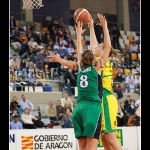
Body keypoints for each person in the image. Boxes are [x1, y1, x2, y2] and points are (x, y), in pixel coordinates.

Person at [49, 14, 109, 150]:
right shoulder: (97, 66)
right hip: (92, 108)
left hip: (79, 108)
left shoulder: (80, 67)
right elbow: (108, 46)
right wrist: (105, 27)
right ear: (93, 59)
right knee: (91, 146)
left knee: (82, 147)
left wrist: (78, 35)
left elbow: (79, 54)